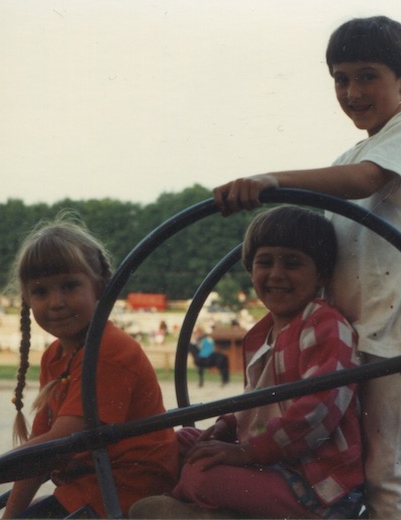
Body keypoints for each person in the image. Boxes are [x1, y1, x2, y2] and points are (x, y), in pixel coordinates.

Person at [211, 16, 401, 518]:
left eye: (367, 76)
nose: (352, 91)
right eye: (341, 79)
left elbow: (366, 180)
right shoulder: (353, 151)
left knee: (386, 473)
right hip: (345, 337)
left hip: (392, 337)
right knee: (339, 463)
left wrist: (270, 180)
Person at [0, 214, 178, 519]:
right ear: (27, 299)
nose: (56, 302)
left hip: (126, 490)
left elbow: (57, 445)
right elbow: (39, 449)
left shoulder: (109, 350)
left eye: (69, 286)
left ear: (99, 288)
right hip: (91, 487)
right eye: (41, 292)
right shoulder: (55, 356)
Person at [130, 205, 364, 519]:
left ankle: (197, 508)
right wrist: (226, 426)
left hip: (313, 485)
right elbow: (252, 402)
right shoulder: (259, 334)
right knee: (176, 443)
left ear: (320, 273)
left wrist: (245, 452)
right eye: (264, 262)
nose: (277, 274)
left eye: (292, 264)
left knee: (202, 473)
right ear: (250, 270)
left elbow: (316, 413)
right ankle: (201, 504)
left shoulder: (325, 326)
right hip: (269, 464)